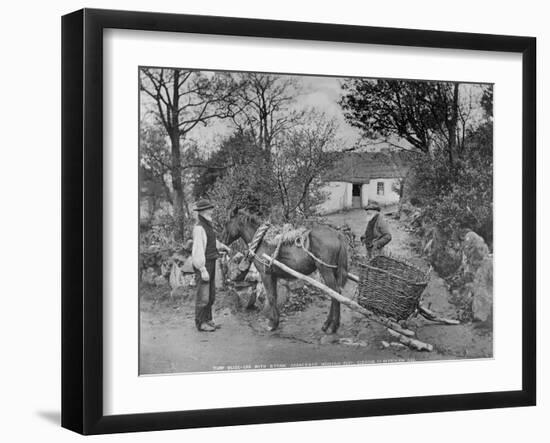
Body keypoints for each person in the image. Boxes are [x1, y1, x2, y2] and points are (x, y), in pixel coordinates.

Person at [191, 199, 230, 332]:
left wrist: (222, 246)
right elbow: (197, 250)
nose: (212, 210)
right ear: (203, 211)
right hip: (204, 264)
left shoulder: (207, 225)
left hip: (211, 262)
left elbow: (211, 241)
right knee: (203, 296)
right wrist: (202, 269)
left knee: (211, 294)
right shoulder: (199, 228)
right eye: (209, 208)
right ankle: (201, 323)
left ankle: (208, 320)